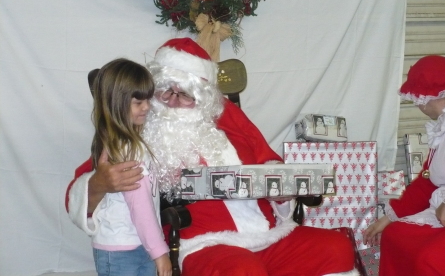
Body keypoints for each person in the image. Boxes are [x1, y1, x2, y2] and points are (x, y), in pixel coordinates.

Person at [67, 38, 357, 276]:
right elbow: (82, 186)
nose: (172, 102)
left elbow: (270, 165)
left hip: (269, 232)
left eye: (184, 95)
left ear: (203, 98)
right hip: (203, 242)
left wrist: (282, 193)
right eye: (165, 92)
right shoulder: (138, 128)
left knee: (335, 248)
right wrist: (99, 184)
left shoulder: (228, 118)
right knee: (242, 271)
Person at [363, 55, 445, 276]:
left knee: (429, 258)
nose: (418, 103)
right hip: (443, 213)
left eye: (418, 97)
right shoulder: (443, 128)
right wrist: (387, 219)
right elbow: (428, 181)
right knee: (395, 235)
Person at [83, 58, 171, 276]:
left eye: (148, 100)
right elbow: (140, 205)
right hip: (125, 250)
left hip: (132, 244)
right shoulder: (128, 148)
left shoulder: (123, 143)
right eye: (137, 102)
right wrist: (160, 252)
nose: (147, 107)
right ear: (116, 102)